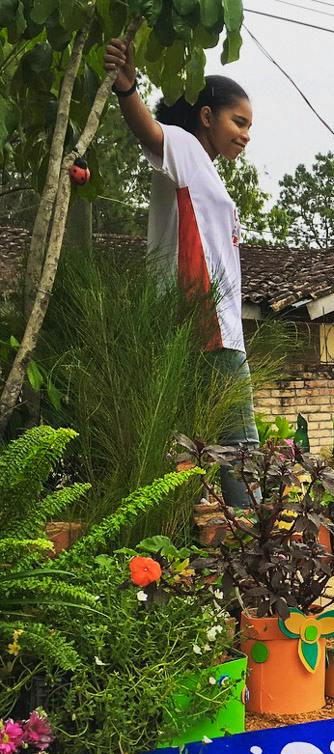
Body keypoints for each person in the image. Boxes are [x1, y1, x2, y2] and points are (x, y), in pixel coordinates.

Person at [103, 38, 258, 506]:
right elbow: (152, 133)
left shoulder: (204, 168)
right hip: (205, 326)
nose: (247, 135)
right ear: (207, 116)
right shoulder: (187, 148)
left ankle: (204, 547)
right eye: (239, 121)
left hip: (211, 328)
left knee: (191, 449)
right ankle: (253, 547)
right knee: (239, 450)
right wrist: (127, 90)